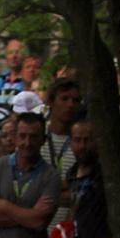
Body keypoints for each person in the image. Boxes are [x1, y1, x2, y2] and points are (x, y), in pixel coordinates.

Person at [0, 111, 62, 238]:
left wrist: (4, 205)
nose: (27, 143)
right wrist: (29, 215)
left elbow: (40, 222)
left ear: (43, 139)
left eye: (34, 137)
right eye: (22, 136)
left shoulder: (51, 176)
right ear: (15, 138)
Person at [41, 78, 83, 224]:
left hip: (71, 229)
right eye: (64, 99)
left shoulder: (83, 141)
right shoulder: (36, 136)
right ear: (51, 101)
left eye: (75, 100)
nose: (70, 105)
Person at [65, 117, 110, 238]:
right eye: (77, 140)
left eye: (88, 140)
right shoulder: (71, 174)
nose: (82, 146)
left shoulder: (106, 171)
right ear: (71, 144)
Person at [0, 39, 28, 108]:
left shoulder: (28, 82)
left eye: (18, 52)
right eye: (10, 52)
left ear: (25, 55)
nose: (14, 56)